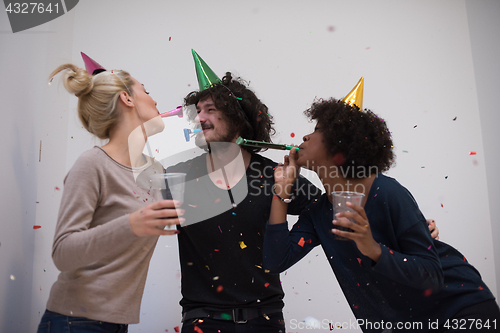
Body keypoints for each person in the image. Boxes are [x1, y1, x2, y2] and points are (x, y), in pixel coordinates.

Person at [263, 98, 500, 332]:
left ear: (339, 144)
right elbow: (276, 260)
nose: (305, 137)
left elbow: (433, 275)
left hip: (459, 309)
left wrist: (372, 248)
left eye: (317, 131)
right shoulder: (318, 212)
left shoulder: (386, 191)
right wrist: (281, 193)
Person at [37, 63, 183, 332]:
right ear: (126, 98)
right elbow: (62, 253)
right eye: (146, 91)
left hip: (117, 324)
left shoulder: (156, 172)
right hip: (73, 322)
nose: (154, 99)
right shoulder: (92, 164)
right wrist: (129, 225)